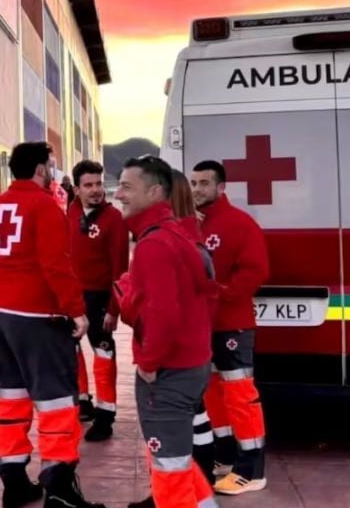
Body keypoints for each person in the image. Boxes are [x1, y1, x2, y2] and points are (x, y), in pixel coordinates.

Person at [0, 142, 102, 508]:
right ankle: (60, 489)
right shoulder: (45, 207)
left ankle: (14, 482)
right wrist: (77, 311)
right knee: (56, 400)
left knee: (10, 397)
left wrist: (6, 279)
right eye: (51, 165)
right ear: (41, 169)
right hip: (38, 318)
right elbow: (56, 265)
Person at [113, 156, 217, 508]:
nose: (118, 194)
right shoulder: (174, 234)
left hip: (169, 371)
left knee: (170, 469)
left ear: (155, 192)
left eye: (126, 187)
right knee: (178, 461)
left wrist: (148, 362)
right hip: (190, 363)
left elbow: (162, 314)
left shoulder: (154, 244)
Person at [190, 160, 270, 495]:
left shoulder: (240, 224)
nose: (197, 189)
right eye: (193, 183)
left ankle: (251, 470)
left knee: (240, 395)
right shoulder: (190, 224)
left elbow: (256, 271)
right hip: (201, 326)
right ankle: (224, 456)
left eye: (204, 183)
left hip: (232, 324)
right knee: (211, 390)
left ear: (221, 187)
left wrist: (220, 295)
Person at [66, 160, 129, 442]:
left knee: (103, 354)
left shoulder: (114, 218)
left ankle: (106, 414)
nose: (95, 190)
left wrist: (114, 309)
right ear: (76, 189)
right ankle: (82, 401)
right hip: (72, 296)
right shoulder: (70, 212)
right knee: (71, 349)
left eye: (98, 184)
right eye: (88, 185)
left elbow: (120, 269)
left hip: (100, 297)